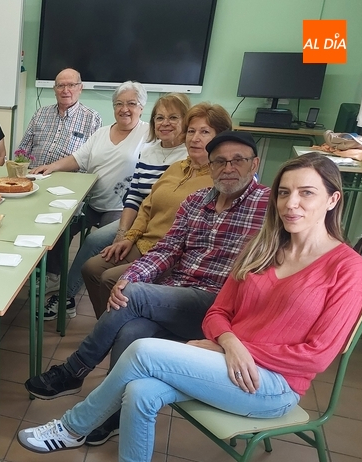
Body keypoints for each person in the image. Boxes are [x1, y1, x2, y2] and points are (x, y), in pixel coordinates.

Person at [17, 152, 362, 462]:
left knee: (145, 350)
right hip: (226, 362)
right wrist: (229, 343)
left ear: (332, 200)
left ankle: (72, 427)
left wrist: (235, 347)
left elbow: (316, 356)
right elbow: (218, 311)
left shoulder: (347, 268)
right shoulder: (263, 246)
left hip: (272, 385)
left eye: (306, 193)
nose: (291, 204)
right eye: (284, 193)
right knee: (141, 393)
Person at [25, 131, 270, 444]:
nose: (228, 168)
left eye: (238, 160)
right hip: (176, 294)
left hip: (219, 306)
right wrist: (134, 274)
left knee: (133, 294)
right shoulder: (196, 202)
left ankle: (74, 370)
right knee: (132, 330)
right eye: (220, 161)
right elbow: (166, 249)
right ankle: (113, 414)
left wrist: (131, 284)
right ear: (210, 166)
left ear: (255, 164)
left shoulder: (268, 205)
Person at [42, 92, 193, 320]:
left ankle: (69, 297)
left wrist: (127, 235)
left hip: (157, 226)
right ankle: (60, 287)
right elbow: (134, 196)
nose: (165, 123)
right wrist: (124, 232)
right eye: (160, 118)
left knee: (96, 246)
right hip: (130, 213)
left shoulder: (190, 155)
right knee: (66, 227)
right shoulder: (150, 149)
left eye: (173, 117)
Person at [80, 102, 233, 317]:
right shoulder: (177, 168)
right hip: (146, 242)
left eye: (204, 132)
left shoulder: (221, 179)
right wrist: (128, 237)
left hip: (176, 255)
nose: (195, 138)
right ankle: (109, 325)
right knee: (92, 268)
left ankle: (117, 327)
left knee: (111, 278)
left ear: (221, 137)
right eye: (191, 131)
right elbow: (147, 206)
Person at [33, 81, 151, 318]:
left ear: (141, 107)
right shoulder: (101, 133)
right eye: (118, 104)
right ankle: (53, 277)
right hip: (92, 201)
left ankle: (66, 296)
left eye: (131, 104)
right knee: (58, 225)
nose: (124, 109)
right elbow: (78, 158)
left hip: (124, 208)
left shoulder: (148, 134)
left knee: (92, 243)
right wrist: (51, 167)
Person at [17, 68, 102, 166]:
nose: (65, 91)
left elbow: (94, 159)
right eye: (60, 86)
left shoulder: (92, 118)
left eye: (71, 85)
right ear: (55, 89)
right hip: (35, 174)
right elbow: (23, 150)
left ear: (80, 88)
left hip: (69, 178)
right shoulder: (40, 113)